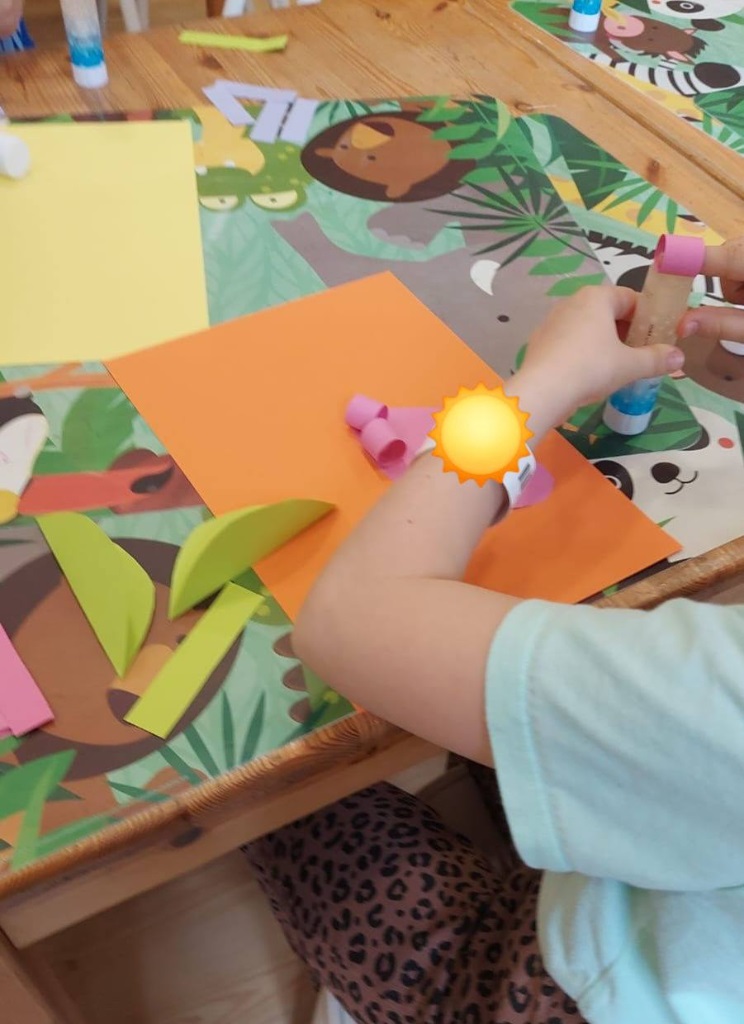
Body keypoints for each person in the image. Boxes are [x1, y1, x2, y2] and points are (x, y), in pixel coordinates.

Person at [244, 237, 744, 1024]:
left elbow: (347, 619)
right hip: (696, 856)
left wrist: (541, 386)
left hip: (578, 985)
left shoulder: (720, 696)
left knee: (283, 786)